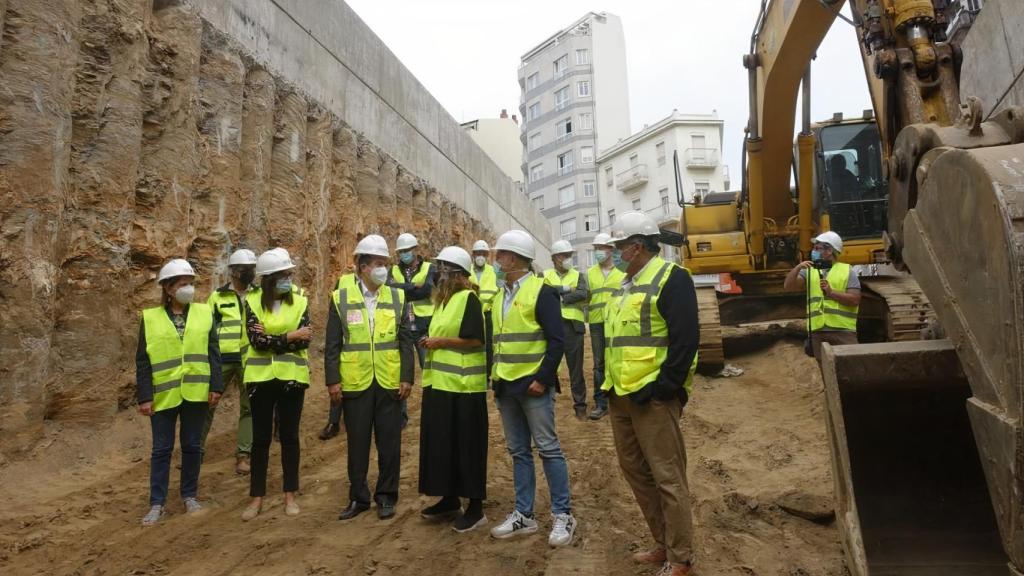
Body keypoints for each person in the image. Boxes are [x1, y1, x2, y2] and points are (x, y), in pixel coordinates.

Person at [603, 212, 700, 576]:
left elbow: (685, 340)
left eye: (618, 247)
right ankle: (663, 542)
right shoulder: (624, 285)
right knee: (635, 471)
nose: (613, 253)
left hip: (654, 398)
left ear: (637, 247)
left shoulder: (672, 278)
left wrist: (664, 389)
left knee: (667, 477)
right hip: (621, 395)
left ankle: (680, 558)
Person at [488, 229, 577, 547]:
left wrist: (543, 379)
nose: (496, 259)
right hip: (506, 385)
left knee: (548, 449)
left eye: (500, 254)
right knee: (519, 452)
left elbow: (557, 341)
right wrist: (495, 379)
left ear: (513, 258)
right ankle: (524, 515)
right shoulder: (499, 295)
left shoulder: (542, 291)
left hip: (533, 385)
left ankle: (563, 514)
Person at [326, 234, 415, 521]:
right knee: (357, 444)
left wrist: (407, 377)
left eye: (385, 264)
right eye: (377, 264)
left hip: (389, 381)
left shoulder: (397, 297)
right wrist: (333, 381)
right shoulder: (341, 298)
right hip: (356, 381)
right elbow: (332, 344)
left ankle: (386, 497)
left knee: (389, 443)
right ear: (362, 267)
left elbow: (405, 341)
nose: (383, 269)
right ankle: (358, 497)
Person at [136, 258, 223, 526]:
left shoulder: (204, 313)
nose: (189, 288)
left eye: (191, 283)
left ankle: (189, 495)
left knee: (192, 446)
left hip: (196, 391)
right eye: (183, 284)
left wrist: (216, 386)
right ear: (168, 288)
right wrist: (145, 396)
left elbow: (214, 352)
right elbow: (143, 360)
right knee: (161, 449)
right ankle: (157, 503)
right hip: (164, 394)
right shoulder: (150, 318)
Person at [417, 246, 489, 533]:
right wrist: (431, 339)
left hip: (464, 389)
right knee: (443, 444)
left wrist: (440, 342)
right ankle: (449, 499)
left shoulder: (469, 299)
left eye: (443, 269)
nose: (438, 274)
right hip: (440, 385)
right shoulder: (443, 302)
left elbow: (476, 340)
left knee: (467, 447)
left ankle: (475, 508)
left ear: (457, 274)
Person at [240, 248, 312, 521]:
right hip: (260, 380)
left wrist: (274, 337)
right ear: (269, 279)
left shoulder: (300, 300)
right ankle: (256, 497)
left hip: (292, 378)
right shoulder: (252, 301)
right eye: (284, 275)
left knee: (290, 438)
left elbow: (305, 340)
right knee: (260, 440)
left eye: (289, 274)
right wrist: (291, 335)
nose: (289, 279)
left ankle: (289, 495)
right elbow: (257, 343)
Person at [203, 248, 257, 474]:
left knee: (249, 408)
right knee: (207, 403)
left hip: (250, 359)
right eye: (244, 269)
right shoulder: (217, 297)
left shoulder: (259, 295)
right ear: (233, 271)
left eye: (251, 269)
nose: (249, 273)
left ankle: (243, 455)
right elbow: (206, 329)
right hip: (222, 360)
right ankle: (195, 452)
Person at [783, 231, 861, 361]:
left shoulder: (847, 271)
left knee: (852, 365)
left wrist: (831, 293)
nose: (814, 251)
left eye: (817, 248)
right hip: (818, 332)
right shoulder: (808, 271)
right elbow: (789, 286)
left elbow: (855, 300)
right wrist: (797, 268)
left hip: (843, 331)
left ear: (829, 250)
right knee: (825, 370)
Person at [543, 239, 590, 420]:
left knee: (576, 370)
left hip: (573, 327)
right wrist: (566, 289)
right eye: (564, 255)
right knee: (549, 367)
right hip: (551, 326)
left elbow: (583, 293)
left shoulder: (578, 275)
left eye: (569, 255)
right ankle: (547, 404)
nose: (568, 258)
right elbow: (542, 291)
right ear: (555, 258)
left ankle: (580, 406)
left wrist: (561, 298)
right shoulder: (544, 274)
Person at [584, 233, 625, 420]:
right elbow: (586, 297)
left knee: (617, 359)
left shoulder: (622, 272)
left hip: (616, 323)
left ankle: (619, 400)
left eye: (601, 248)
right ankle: (601, 403)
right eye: (595, 248)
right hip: (596, 323)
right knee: (599, 364)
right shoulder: (590, 273)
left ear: (610, 249)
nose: (597, 251)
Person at [469, 239, 499, 311]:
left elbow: (499, 293)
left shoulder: (494, 271)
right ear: (473, 255)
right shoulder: (467, 270)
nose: (481, 257)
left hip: (488, 312)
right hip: (470, 311)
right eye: (478, 254)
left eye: (484, 254)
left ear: (487, 255)